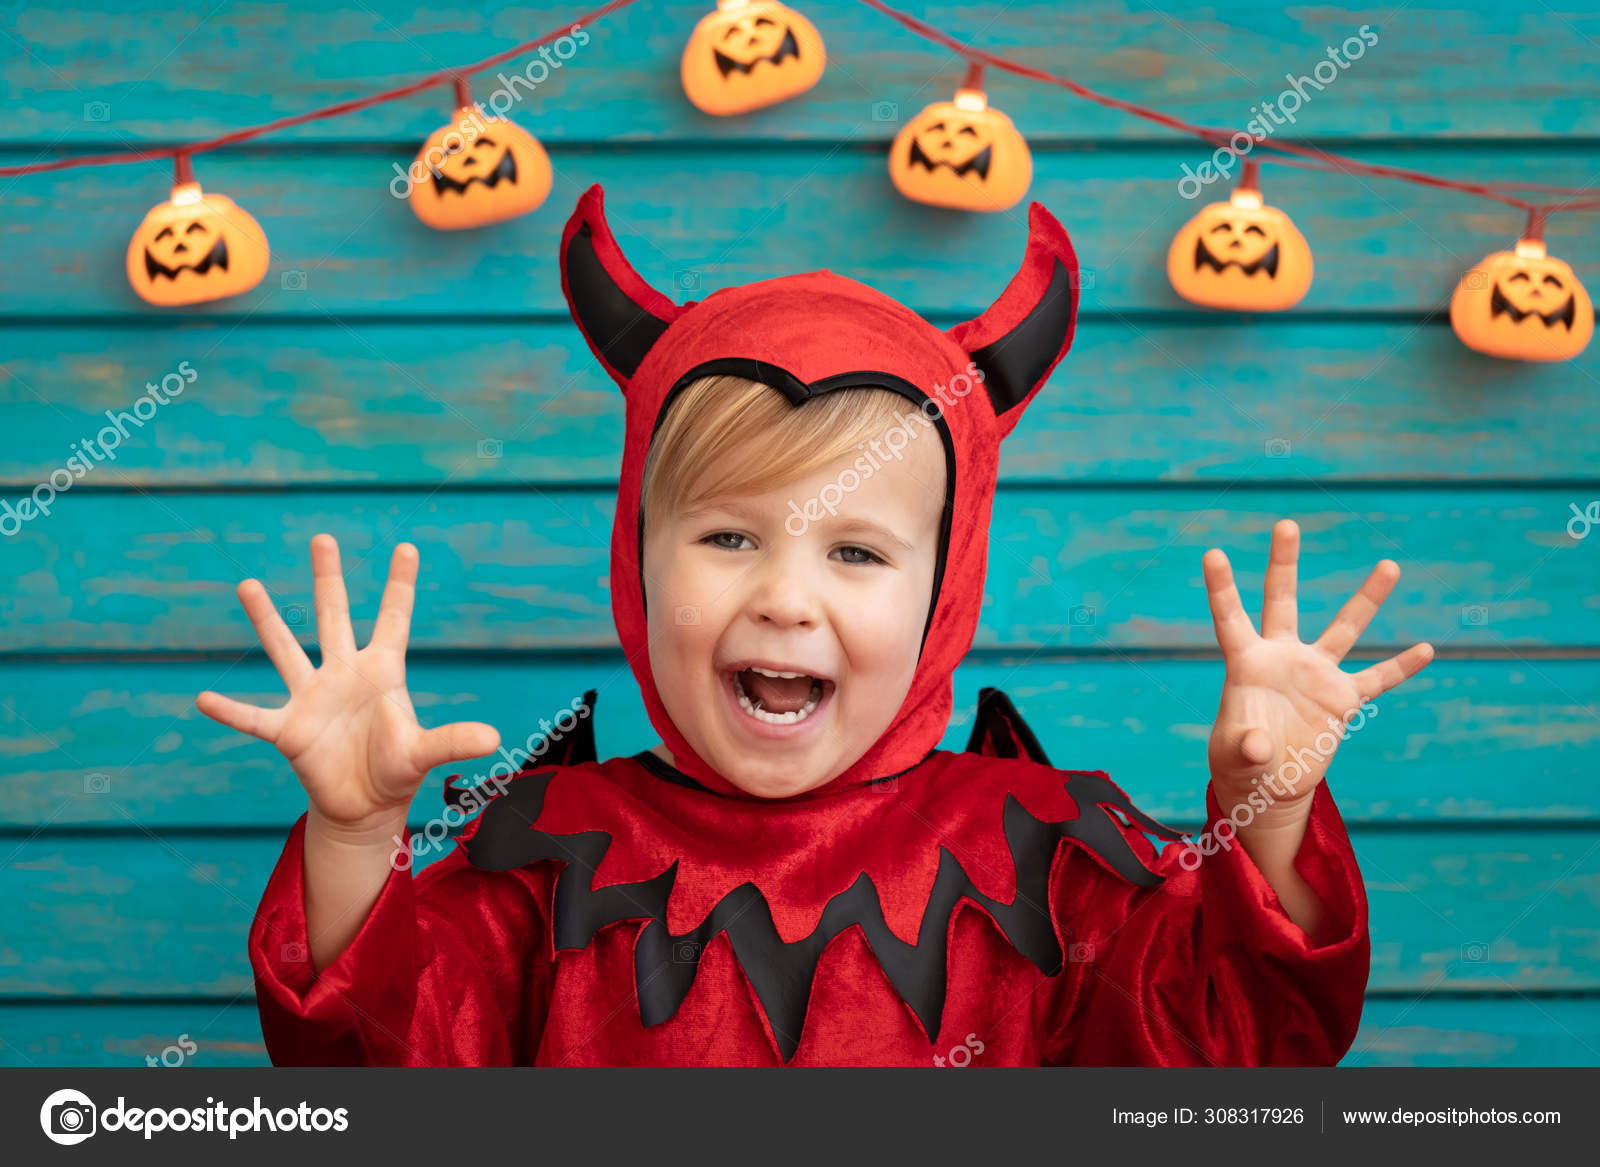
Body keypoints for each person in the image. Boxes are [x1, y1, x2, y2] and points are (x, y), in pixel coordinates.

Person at [198, 184, 1434, 1066]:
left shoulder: (1057, 862)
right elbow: (376, 1073)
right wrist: (354, 840)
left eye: (854, 551)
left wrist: (1264, 822)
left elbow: (1233, 1052)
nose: (787, 597)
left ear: (944, 592)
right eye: (729, 538)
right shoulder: (538, 858)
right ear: (637, 560)